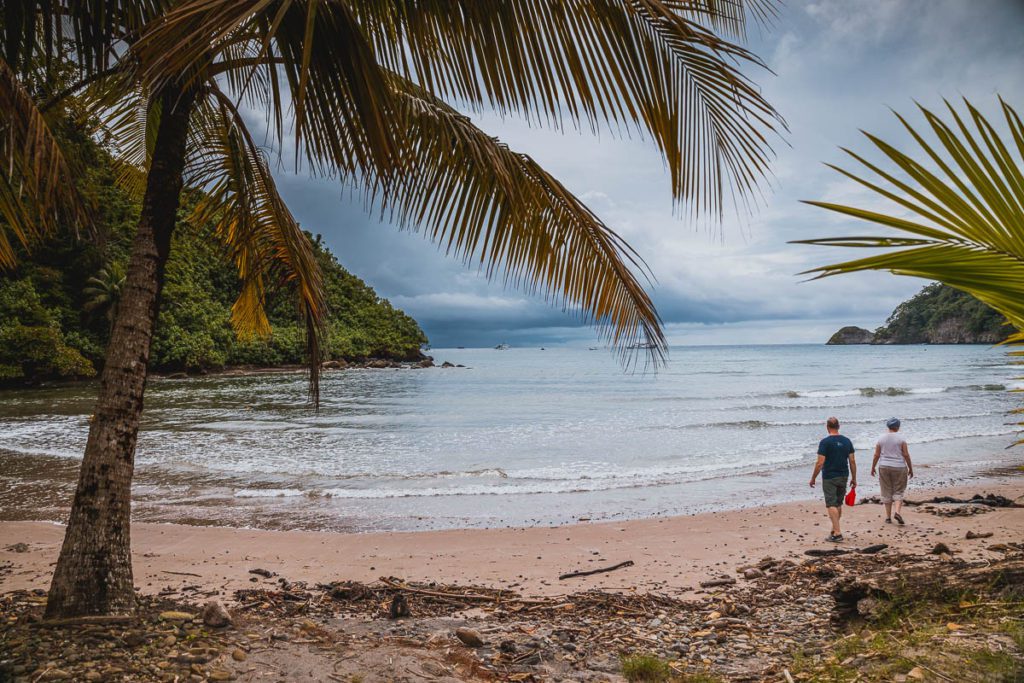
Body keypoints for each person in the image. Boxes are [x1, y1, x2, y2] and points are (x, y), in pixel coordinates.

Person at [809, 416, 856, 542]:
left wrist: (813, 478)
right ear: (838, 426)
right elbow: (852, 461)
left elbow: (820, 463)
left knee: (831, 504)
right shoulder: (847, 441)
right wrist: (854, 478)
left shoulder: (825, 442)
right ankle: (835, 530)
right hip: (844, 475)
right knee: (838, 504)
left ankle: (838, 533)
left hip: (830, 476)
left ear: (827, 427)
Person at [871, 417, 913, 525]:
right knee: (898, 490)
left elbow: (876, 455)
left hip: (884, 466)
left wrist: (873, 467)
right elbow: (906, 455)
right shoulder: (901, 439)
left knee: (886, 491)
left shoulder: (881, 438)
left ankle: (888, 517)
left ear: (888, 426)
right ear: (898, 427)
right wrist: (910, 468)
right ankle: (897, 512)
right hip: (899, 466)